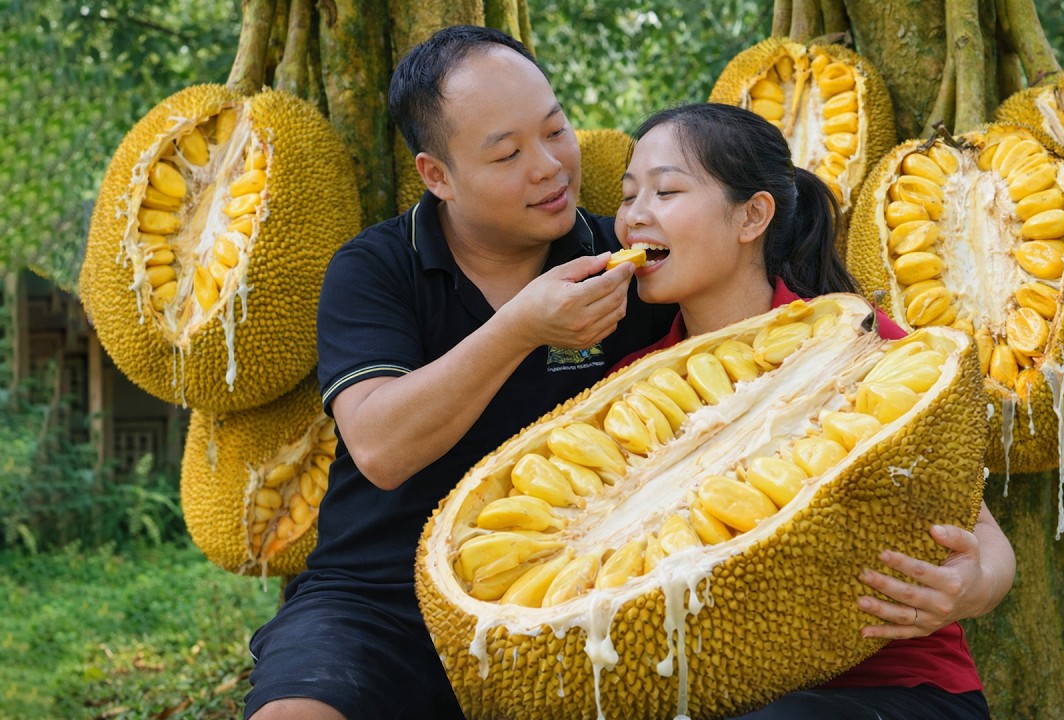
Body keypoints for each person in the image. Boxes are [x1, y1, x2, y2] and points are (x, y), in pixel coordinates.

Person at [242, 26, 677, 720]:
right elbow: (381, 448)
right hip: (379, 598)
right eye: (506, 153)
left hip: (578, 593)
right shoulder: (375, 269)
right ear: (436, 175)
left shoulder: (624, 262)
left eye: (555, 130)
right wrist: (522, 328)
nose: (549, 166)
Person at [611, 102, 1016, 719]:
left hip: (897, 689)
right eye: (628, 195)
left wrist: (967, 589)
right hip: (721, 694)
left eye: (665, 191)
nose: (635, 217)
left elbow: (987, 541)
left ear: (752, 215)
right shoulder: (629, 388)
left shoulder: (865, 345)